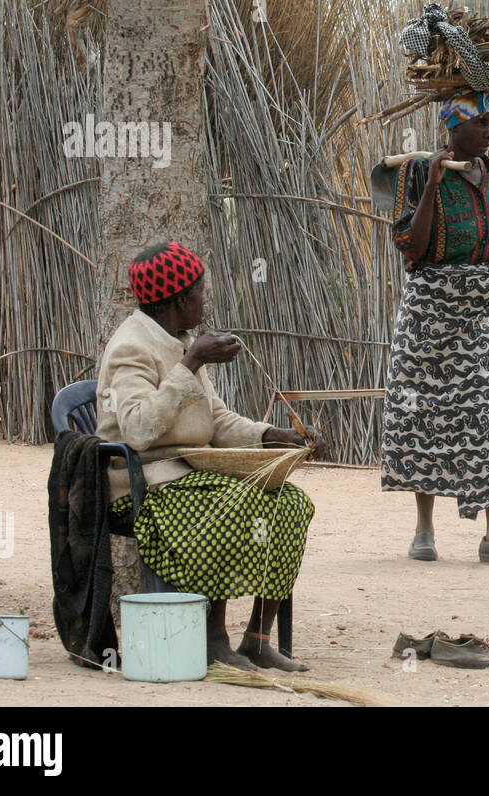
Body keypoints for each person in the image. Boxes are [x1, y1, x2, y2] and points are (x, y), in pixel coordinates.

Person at [96, 241, 322, 671]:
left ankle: (256, 638)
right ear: (179, 299)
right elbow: (139, 430)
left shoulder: (179, 340)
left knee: (291, 503)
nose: (205, 300)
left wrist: (276, 435)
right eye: (200, 292)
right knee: (233, 502)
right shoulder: (132, 347)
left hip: (185, 474)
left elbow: (215, 421)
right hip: (140, 483)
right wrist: (192, 362)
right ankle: (212, 642)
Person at [381, 91, 489, 567]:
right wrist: (432, 181)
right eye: (482, 123)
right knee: (424, 415)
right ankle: (424, 529)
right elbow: (413, 245)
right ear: (453, 128)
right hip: (428, 312)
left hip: (484, 312)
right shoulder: (415, 172)